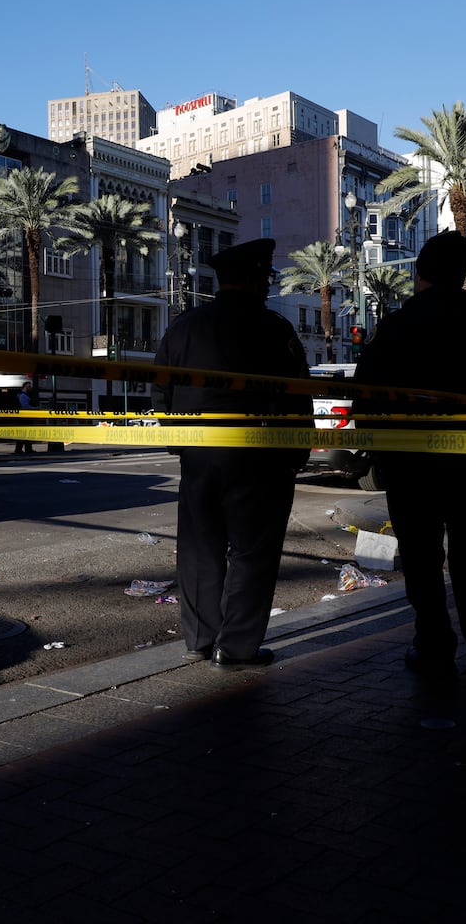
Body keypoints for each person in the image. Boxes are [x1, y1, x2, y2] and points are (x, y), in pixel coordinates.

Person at [152, 238, 312, 670]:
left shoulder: (183, 326)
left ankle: (199, 639)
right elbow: (299, 395)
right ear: (254, 279)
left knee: (200, 546)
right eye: (264, 277)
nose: (266, 285)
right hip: (261, 455)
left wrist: (180, 441)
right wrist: (298, 451)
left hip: (200, 456)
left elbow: (161, 390)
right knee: (252, 551)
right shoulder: (274, 329)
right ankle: (237, 646)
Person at [353, 230, 466, 681]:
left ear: (418, 273)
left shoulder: (398, 325)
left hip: (409, 463)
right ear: (463, 273)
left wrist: (376, 447)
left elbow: (366, 395)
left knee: (420, 556)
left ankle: (434, 641)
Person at [14, 381, 36, 454]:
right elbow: (25, 407)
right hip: (24, 418)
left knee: (23, 434)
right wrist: (35, 409)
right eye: (29, 386)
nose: (30, 388)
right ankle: (25, 449)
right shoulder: (23, 395)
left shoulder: (22, 395)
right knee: (26, 433)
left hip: (22, 418)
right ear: (25, 387)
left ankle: (21, 450)